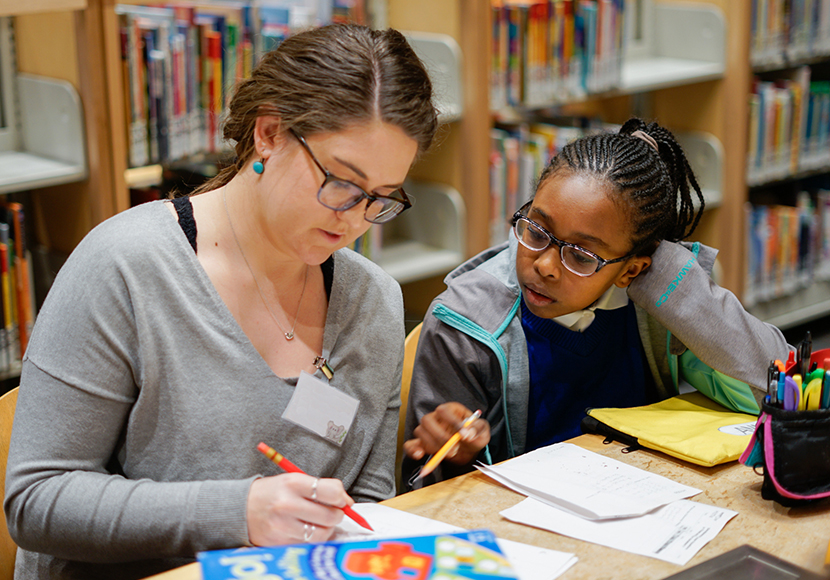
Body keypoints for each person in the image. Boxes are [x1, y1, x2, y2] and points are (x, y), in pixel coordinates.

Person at [5, 23, 437, 578]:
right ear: (270, 133)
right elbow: (38, 500)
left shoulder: (372, 301)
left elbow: (366, 504)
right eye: (341, 183)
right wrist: (239, 512)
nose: (354, 218)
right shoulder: (126, 267)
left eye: (380, 198)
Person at [402, 118, 791, 487]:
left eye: (581, 257)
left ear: (632, 270)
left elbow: (779, 389)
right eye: (536, 230)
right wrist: (457, 456)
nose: (546, 265)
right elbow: (420, 486)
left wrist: (676, 280)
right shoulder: (464, 323)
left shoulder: (656, 300)